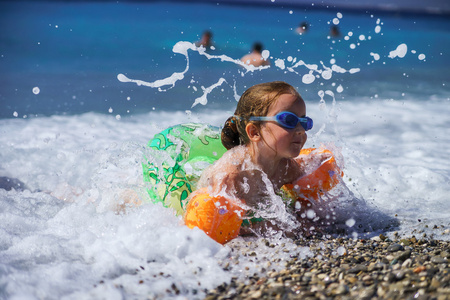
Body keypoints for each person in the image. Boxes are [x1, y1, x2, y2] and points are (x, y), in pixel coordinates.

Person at [196, 81, 326, 236]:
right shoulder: (232, 174)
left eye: (305, 122)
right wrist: (275, 228)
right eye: (289, 121)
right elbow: (224, 224)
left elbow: (304, 206)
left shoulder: (287, 168)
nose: (300, 130)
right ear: (254, 132)